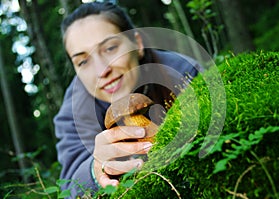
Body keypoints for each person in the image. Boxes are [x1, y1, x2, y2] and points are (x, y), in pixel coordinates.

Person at [54, 1, 202, 197]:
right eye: (83, 61)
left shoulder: (184, 72)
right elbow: (71, 183)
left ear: (138, 44)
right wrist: (94, 169)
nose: (102, 71)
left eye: (110, 48)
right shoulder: (73, 112)